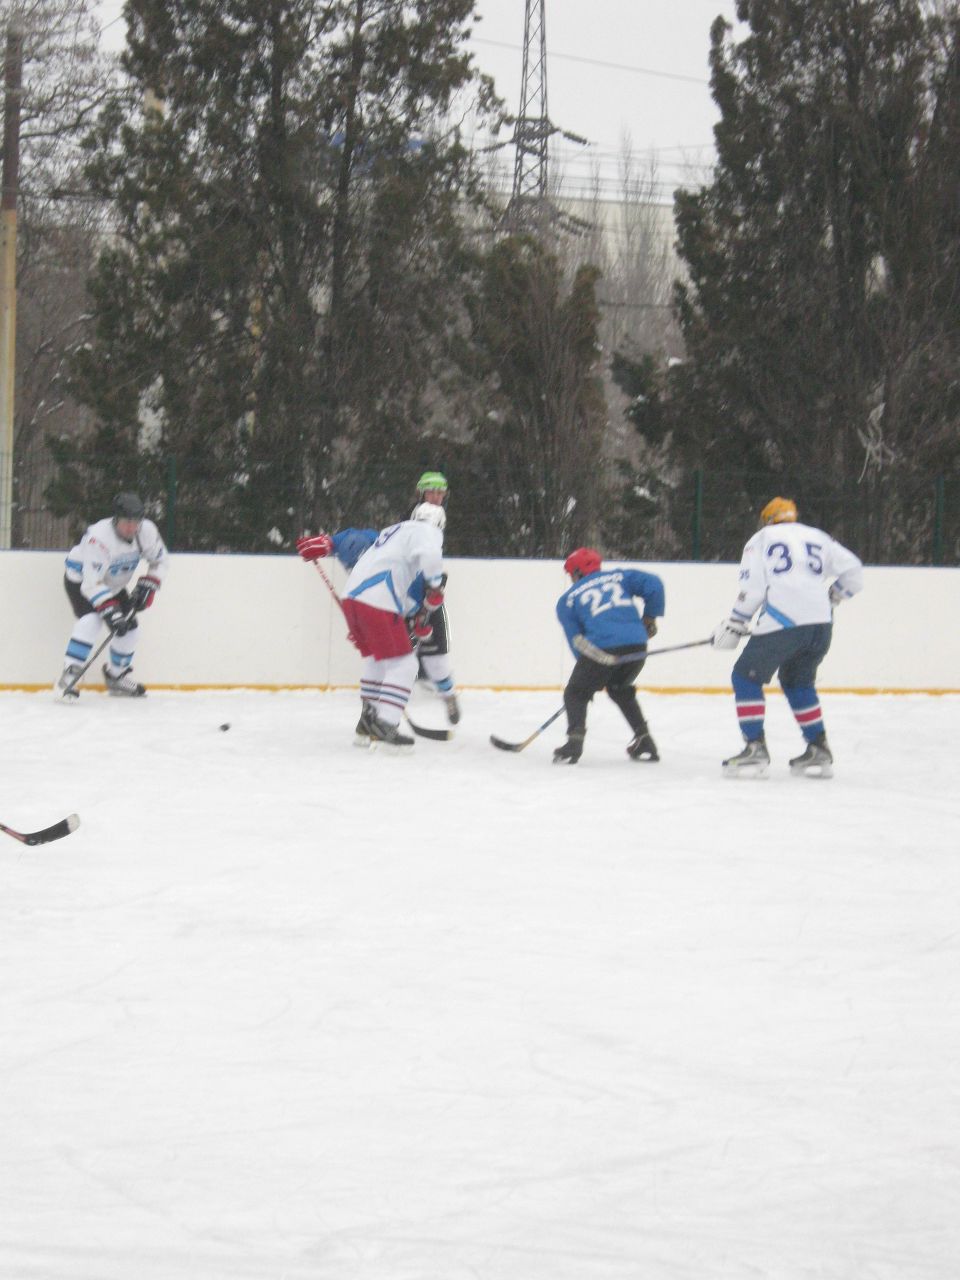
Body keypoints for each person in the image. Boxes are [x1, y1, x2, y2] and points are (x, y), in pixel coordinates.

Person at [711, 496, 864, 777]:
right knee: (797, 681)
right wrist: (834, 596)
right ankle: (819, 747)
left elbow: (753, 589)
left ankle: (754, 747)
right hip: (821, 623)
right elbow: (854, 572)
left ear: (768, 519)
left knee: (745, 676)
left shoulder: (760, 540)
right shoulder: (818, 537)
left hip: (783, 621)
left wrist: (735, 622)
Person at [297, 503, 447, 748]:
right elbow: (430, 560)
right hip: (378, 602)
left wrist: (327, 543)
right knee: (405, 664)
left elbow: (354, 537)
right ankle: (386, 724)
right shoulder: (425, 531)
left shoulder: (394, 533)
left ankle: (367, 720)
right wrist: (434, 585)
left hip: (353, 601)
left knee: (379, 660)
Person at [553, 547, 665, 765]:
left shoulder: (567, 600)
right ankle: (645, 740)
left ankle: (574, 744)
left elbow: (577, 641)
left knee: (575, 693)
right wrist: (649, 619)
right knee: (620, 689)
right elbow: (654, 584)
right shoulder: (620, 576)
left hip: (604, 647)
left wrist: (593, 667)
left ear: (576, 572)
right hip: (637, 645)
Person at [55, 492, 169, 700]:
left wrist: (150, 583)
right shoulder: (98, 538)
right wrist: (110, 611)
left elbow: (160, 561)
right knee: (92, 620)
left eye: (136, 522)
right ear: (116, 519)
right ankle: (70, 672)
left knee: (130, 631)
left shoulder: (147, 532)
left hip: (114, 584)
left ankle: (116, 677)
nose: (132, 528)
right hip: (81, 581)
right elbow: (92, 583)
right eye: (127, 522)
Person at [408, 472, 459, 724]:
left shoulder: (436, 517)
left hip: (426, 589)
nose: (437, 497)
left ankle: (444, 690)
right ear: (421, 494)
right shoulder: (421, 517)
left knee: (434, 645)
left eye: (441, 492)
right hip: (411, 591)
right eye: (432, 492)